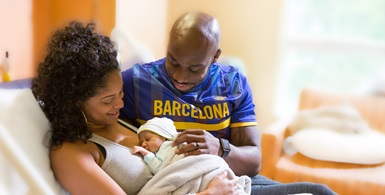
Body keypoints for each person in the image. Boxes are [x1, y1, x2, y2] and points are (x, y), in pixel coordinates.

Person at [120, 11, 338, 195]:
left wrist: (220, 148)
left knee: (319, 191)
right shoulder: (137, 83)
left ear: (215, 56)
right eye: (173, 61)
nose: (180, 76)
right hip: (173, 183)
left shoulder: (233, 84)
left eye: (194, 68)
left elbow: (254, 161)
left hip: (227, 179)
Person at [31, 21, 239, 195]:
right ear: (75, 100)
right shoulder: (71, 154)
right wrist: (211, 193)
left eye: (120, 93)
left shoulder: (116, 120)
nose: (120, 104)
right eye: (107, 100)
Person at [133, 117, 251, 194]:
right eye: (141, 142)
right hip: (195, 176)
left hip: (207, 166)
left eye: (148, 139)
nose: (143, 144)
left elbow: (158, 168)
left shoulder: (171, 144)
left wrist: (147, 155)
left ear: (164, 136)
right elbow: (161, 169)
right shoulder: (161, 152)